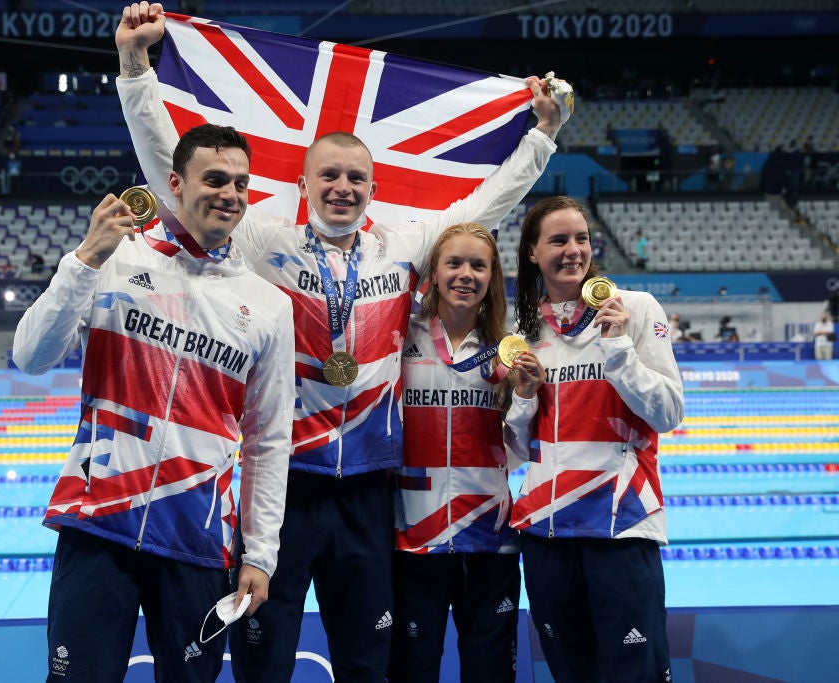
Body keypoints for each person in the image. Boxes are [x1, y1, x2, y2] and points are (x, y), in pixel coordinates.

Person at [115, 5, 564, 680]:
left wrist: (543, 135)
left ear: (375, 190)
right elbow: (170, 177)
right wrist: (135, 70)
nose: (343, 187)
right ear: (303, 183)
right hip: (287, 487)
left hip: (371, 494)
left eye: (356, 178)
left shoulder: (401, 247)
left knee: (366, 660)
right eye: (329, 175)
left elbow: (489, 205)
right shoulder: (268, 241)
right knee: (263, 656)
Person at [12, 123, 296, 683]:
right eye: (215, 179)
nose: (230, 194)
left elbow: (268, 438)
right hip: (98, 524)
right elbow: (31, 357)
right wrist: (85, 258)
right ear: (175, 183)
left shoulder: (267, 306)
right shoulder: (116, 261)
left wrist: (260, 553)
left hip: (196, 537)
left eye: (241, 183)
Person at [507, 196, 684, 683]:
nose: (573, 250)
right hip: (546, 531)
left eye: (581, 238)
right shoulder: (523, 331)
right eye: (558, 240)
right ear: (531, 253)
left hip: (620, 524)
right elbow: (515, 451)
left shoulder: (636, 309)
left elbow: (668, 413)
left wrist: (619, 348)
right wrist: (524, 397)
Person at [390, 222, 545, 683]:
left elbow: (518, 452)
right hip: (413, 537)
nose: (466, 274)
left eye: (478, 265)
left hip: (490, 540)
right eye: (453, 263)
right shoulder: (400, 340)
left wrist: (524, 398)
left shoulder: (508, 352)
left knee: (491, 673)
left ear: (492, 276)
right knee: (411, 672)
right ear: (433, 273)